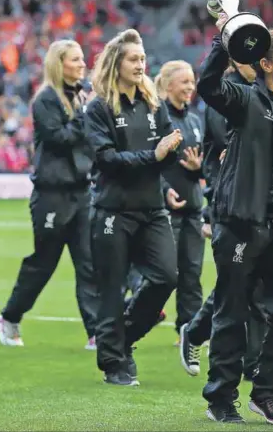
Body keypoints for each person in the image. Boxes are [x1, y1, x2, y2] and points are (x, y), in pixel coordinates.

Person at [195, 19, 273, 425]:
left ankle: (268, 394)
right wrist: (224, 39)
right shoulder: (244, 99)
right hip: (242, 224)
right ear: (265, 63)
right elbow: (208, 87)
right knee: (232, 312)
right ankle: (220, 398)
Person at [84, 28, 183, 386]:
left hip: (152, 207)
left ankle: (123, 339)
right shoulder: (98, 108)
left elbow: (166, 153)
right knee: (112, 288)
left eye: (143, 59)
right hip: (113, 210)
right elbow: (106, 160)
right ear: (116, 63)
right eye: (133, 59)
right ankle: (114, 363)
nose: (140, 64)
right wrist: (153, 156)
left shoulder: (154, 104)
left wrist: (169, 178)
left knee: (167, 276)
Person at [0, 39, 99, 351]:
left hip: (81, 193)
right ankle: (9, 317)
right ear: (59, 64)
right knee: (44, 263)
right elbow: (59, 139)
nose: (83, 64)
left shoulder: (81, 95)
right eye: (76, 59)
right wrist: (86, 114)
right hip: (52, 195)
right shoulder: (45, 101)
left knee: (89, 263)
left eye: (82, 59)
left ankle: (96, 332)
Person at [178, 58, 268, 382]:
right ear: (234, 61)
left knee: (251, 279)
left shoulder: (261, 91)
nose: (257, 64)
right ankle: (239, 352)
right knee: (240, 280)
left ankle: (249, 353)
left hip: (258, 200)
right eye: (249, 58)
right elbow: (231, 148)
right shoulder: (226, 96)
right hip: (229, 200)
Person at [153, 60, 206, 343]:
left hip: (193, 208)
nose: (190, 87)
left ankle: (189, 332)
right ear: (169, 84)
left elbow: (206, 163)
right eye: (184, 81)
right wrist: (164, 190)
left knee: (192, 274)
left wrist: (200, 167)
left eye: (192, 82)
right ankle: (139, 315)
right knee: (163, 273)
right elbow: (148, 160)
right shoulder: (157, 117)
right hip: (164, 210)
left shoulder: (196, 119)